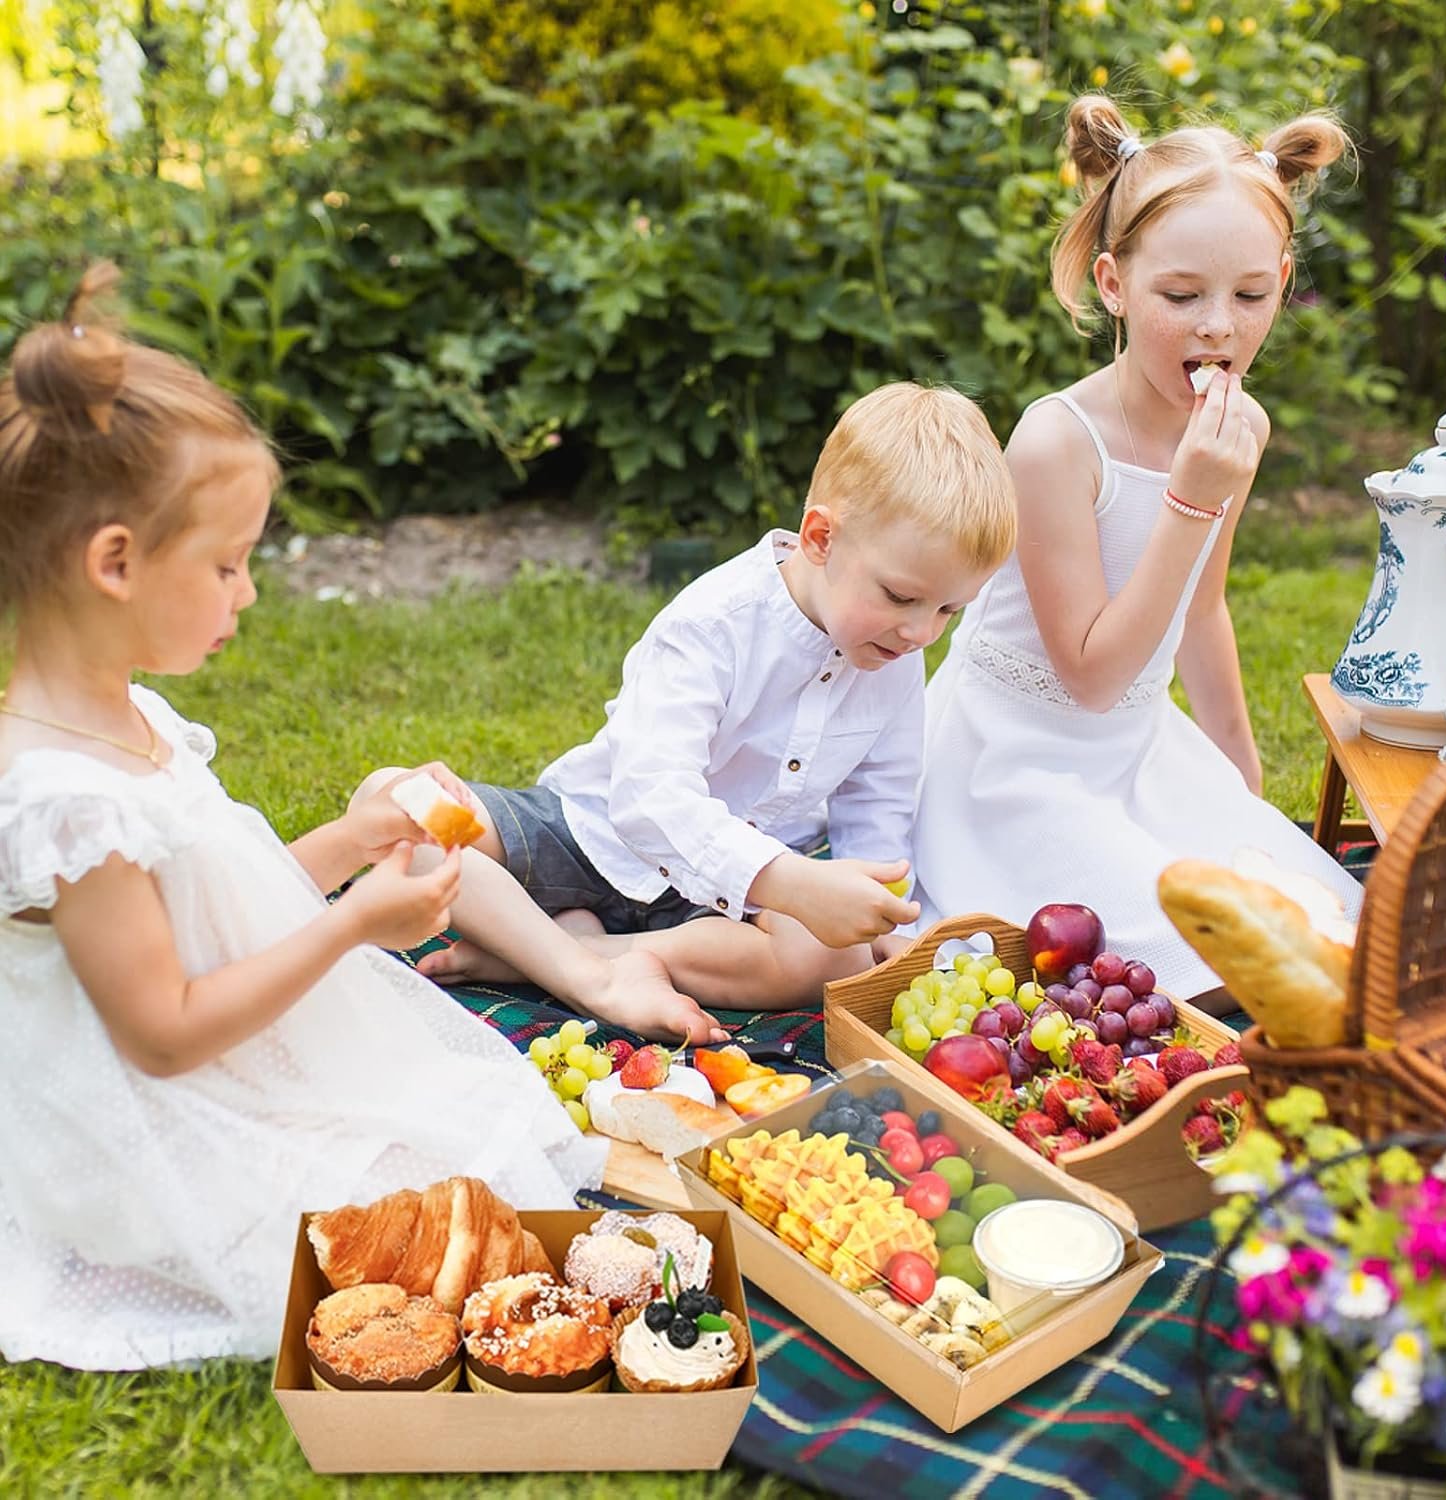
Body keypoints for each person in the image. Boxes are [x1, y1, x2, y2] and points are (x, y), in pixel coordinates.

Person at [0, 265, 612, 1371]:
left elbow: (203, 902)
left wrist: (348, 843)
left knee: (460, 1134)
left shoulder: (128, 718)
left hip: (220, 1068)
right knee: (406, 1215)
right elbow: (164, 1031)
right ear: (115, 563)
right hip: (140, 1136)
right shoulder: (68, 806)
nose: (246, 593)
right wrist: (351, 927)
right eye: (227, 565)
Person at [912, 95, 1363, 1004]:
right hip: (1016, 765)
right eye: (1181, 296)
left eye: (1250, 296)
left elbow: (1202, 607)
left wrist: (1238, 774)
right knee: (1184, 963)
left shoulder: (1238, 428)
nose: (1218, 327)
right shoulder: (1057, 443)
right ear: (1114, 285)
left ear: (1282, 281)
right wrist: (1190, 500)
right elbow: (1090, 676)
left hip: (1138, 752)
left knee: (1328, 927)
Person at [389, 382, 1016, 1010]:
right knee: (406, 812)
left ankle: (563, 951)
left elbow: (878, 801)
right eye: (901, 597)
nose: (921, 632)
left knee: (834, 959)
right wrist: (789, 882)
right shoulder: (716, 623)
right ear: (820, 538)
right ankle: (578, 965)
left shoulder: (895, 657)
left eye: (949, 610)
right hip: (591, 837)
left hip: (716, 904)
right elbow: (648, 797)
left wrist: (882, 919)